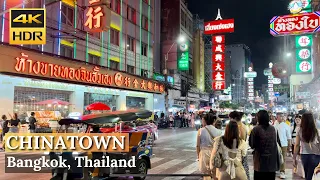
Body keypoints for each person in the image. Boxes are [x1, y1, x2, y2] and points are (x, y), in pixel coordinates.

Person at [249, 110, 279, 180]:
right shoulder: (273, 128)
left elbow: (252, 144)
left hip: (260, 162)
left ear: (259, 118)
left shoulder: (256, 129)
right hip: (272, 162)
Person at [293, 112, 320, 180]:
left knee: (307, 174)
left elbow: (296, 145)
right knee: (312, 174)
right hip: (316, 155)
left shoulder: (299, 130)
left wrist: (294, 157)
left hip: (304, 155)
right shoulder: (317, 131)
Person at [196, 113, 221, 180]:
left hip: (204, 153)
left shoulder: (201, 131)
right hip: (215, 153)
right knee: (215, 174)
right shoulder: (219, 132)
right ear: (213, 121)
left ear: (205, 121)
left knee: (206, 174)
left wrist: (198, 156)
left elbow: (198, 145)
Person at [229, 111, 249, 179]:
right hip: (239, 151)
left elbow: (241, 141)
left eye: (230, 118)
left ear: (234, 118)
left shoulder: (240, 127)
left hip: (239, 152)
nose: (230, 120)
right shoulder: (240, 126)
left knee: (240, 171)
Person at [274, 112, 292, 179]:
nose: (281, 118)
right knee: (275, 157)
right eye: (279, 116)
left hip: (284, 144)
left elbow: (289, 136)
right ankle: (275, 169)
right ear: (277, 117)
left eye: (282, 116)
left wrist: (289, 145)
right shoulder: (274, 125)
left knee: (283, 158)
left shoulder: (286, 125)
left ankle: (282, 171)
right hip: (275, 144)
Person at [291, 114, 304, 178]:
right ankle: (295, 168)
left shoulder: (303, 128)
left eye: (299, 119)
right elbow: (290, 137)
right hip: (294, 145)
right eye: (296, 120)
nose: (297, 121)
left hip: (301, 146)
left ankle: (303, 172)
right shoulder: (292, 128)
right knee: (295, 159)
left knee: (301, 159)